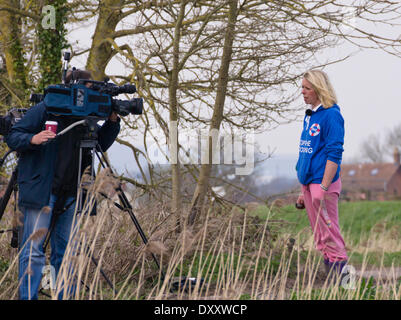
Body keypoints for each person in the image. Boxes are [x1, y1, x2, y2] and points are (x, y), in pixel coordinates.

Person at [6, 69, 121, 300]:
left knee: (67, 251)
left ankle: (65, 296)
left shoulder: (85, 116)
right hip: (42, 190)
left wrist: (112, 121)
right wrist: (33, 138)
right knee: (33, 251)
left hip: (71, 192)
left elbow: (100, 143)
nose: (90, 94)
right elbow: (13, 134)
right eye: (88, 88)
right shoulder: (47, 107)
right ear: (75, 87)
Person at [295, 69, 348, 278]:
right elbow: (307, 152)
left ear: (318, 89)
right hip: (308, 185)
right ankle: (332, 285)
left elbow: (334, 153)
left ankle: (346, 285)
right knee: (320, 236)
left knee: (331, 236)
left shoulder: (332, 115)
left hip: (323, 185)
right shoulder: (310, 116)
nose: (302, 92)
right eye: (302, 87)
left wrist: (323, 187)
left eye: (307, 88)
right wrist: (303, 189)